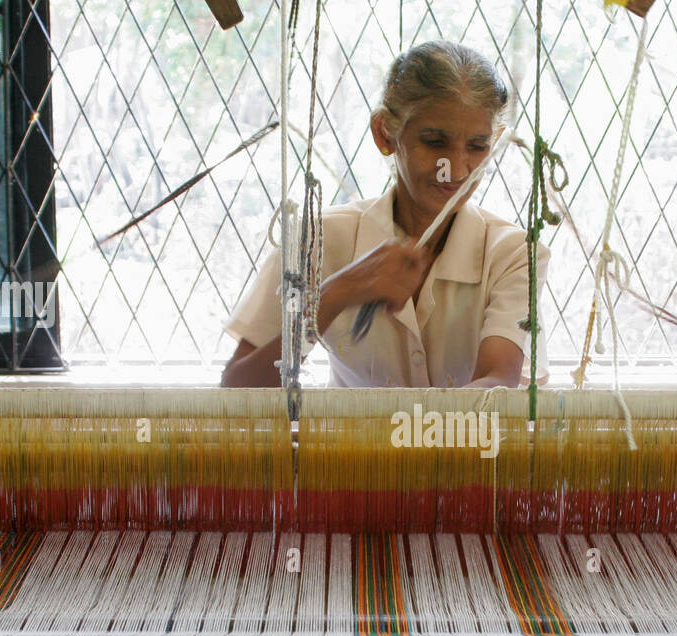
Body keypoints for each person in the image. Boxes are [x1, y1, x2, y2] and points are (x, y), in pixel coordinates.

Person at [220, 40, 550, 388]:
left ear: (494, 142)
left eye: (477, 146)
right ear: (385, 134)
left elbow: (497, 383)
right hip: (349, 445)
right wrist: (339, 292)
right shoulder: (314, 241)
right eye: (435, 141)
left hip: (463, 445)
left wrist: (412, 434)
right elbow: (239, 390)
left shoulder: (513, 254)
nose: (454, 168)